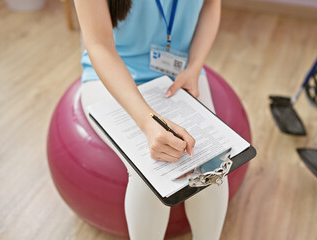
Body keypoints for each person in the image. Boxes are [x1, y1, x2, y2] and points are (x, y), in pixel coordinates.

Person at [74, 0, 227, 239]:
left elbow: (211, 5)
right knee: (152, 171)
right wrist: (147, 121)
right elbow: (100, 47)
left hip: (181, 71)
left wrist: (195, 66)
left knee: (212, 164)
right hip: (114, 71)